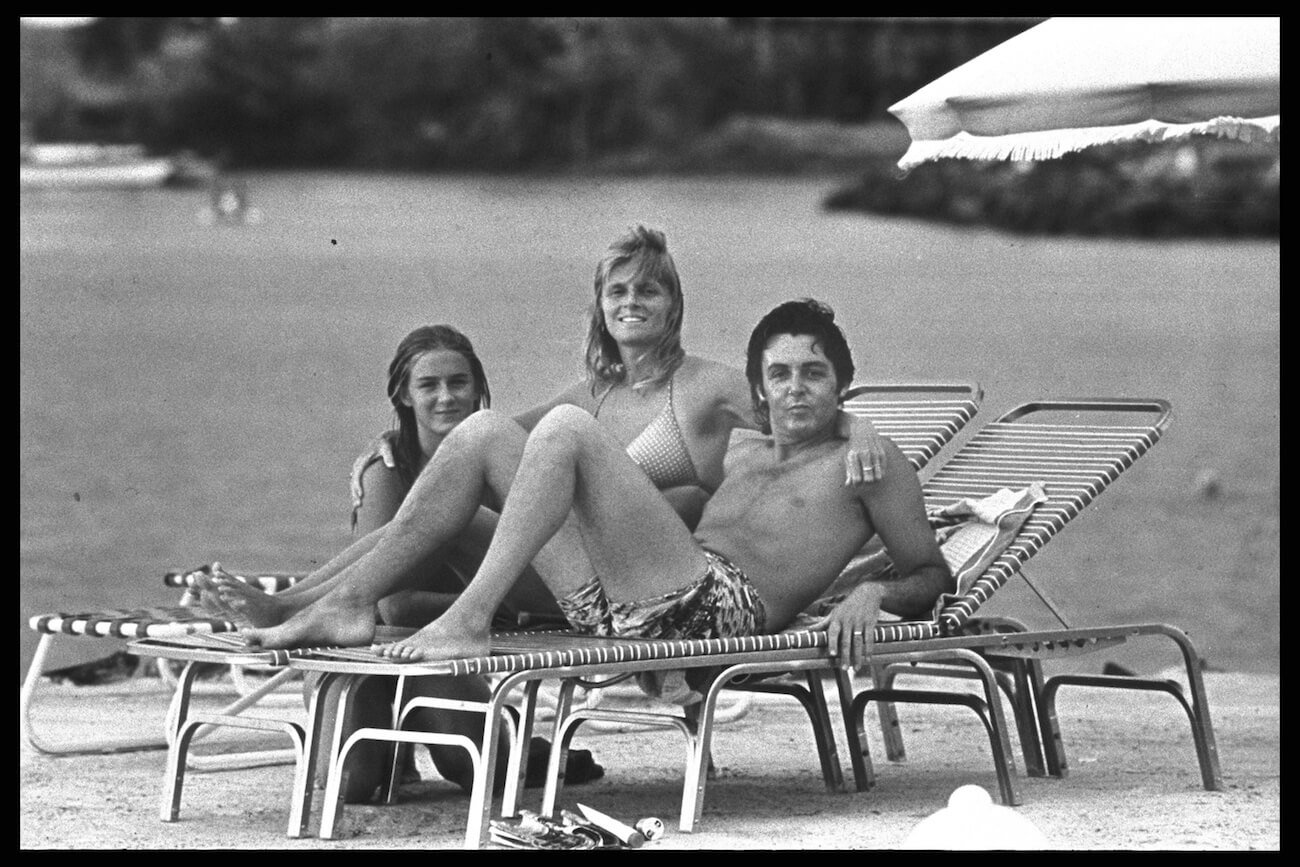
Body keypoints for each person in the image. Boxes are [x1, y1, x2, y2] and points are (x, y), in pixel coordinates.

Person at [208, 226, 888, 644]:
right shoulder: (592, 395)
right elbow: (474, 441)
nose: (630, 303)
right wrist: (390, 442)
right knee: (480, 433)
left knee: (550, 440)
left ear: (673, 305)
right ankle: (311, 599)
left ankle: (397, 608)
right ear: (600, 307)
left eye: (647, 292)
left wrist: (858, 428)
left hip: (657, 581)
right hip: (571, 571)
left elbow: (796, 407)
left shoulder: (708, 386)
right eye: (617, 292)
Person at [243, 299, 951, 682]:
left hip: (719, 613)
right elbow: (643, 499)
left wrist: (873, 592)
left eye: (815, 373)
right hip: (632, 596)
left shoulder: (869, 461)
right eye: (781, 373)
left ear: (842, 383)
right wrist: (390, 445)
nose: (797, 388)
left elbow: (930, 570)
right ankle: (339, 599)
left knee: (568, 430)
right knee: (487, 431)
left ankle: (469, 616)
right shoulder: (738, 442)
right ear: (760, 385)